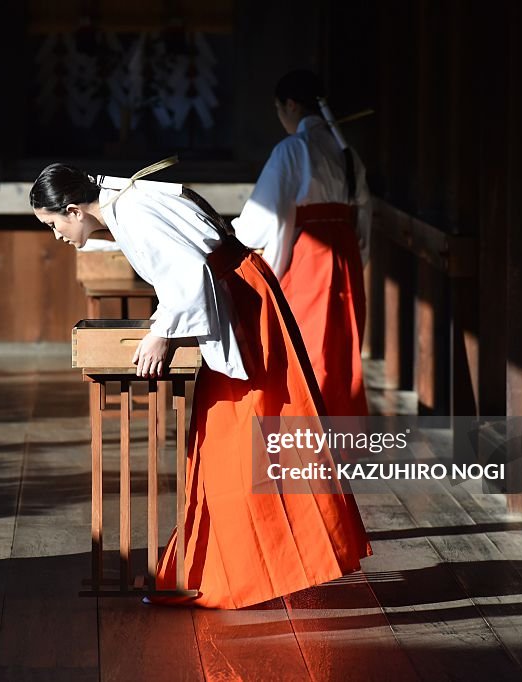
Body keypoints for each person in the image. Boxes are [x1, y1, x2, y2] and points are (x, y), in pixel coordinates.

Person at [30, 161, 370, 609]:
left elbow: (189, 274)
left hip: (244, 306)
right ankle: (251, 563)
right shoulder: (127, 204)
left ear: (73, 210)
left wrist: (161, 333)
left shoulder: (131, 211)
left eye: (53, 224)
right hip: (242, 296)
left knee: (240, 441)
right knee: (236, 440)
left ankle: (237, 573)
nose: (56, 235)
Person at [233, 69, 371, 418]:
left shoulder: (293, 149)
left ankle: (308, 448)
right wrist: (359, 258)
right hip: (346, 258)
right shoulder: (347, 152)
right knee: (340, 353)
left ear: (290, 105)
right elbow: (364, 215)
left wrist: (236, 237)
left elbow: (266, 215)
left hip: (310, 257)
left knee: (306, 351)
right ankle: (339, 448)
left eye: (280, 110)